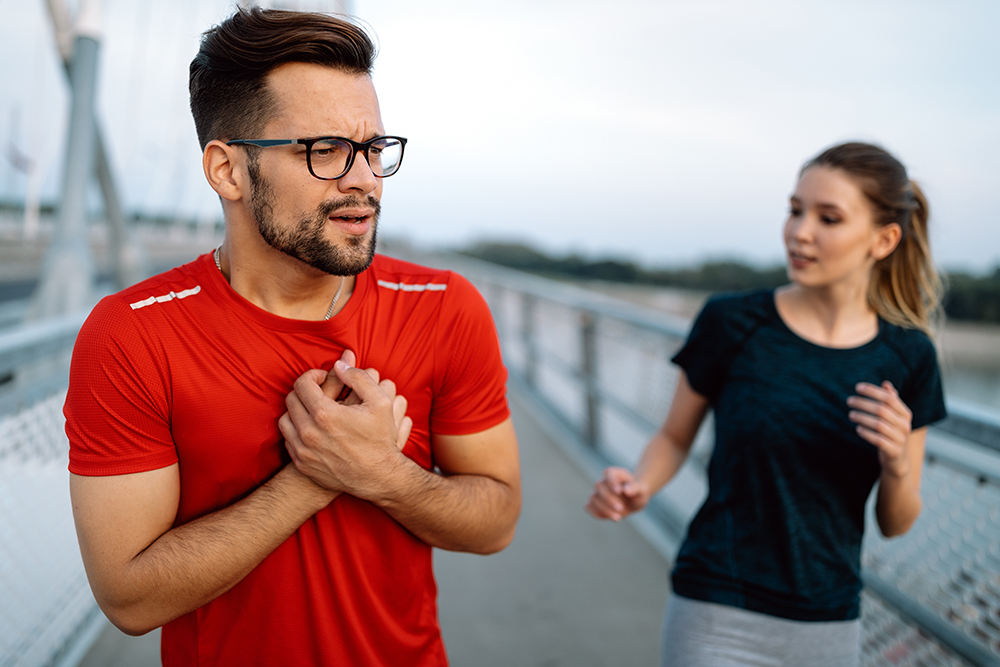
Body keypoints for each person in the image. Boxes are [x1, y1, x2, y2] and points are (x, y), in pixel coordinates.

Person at [64, 8, 520, 667]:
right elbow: (130, 598)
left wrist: (385, 474)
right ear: (227, 171)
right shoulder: (134, 334)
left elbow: (497, 519)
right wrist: (314, 476)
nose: (364, 179)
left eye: (372, 148)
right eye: (324, 150)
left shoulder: (445, 307)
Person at [586, 141, 946, 667]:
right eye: (795, 209)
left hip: (828, 622)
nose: (800, 232)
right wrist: (640, 484)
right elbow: (673, 436)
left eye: (829, 218)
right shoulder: (732, 321)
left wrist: (895, 464)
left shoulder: (909, 357)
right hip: (715, 608)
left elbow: (897, 521)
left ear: (884, 239)